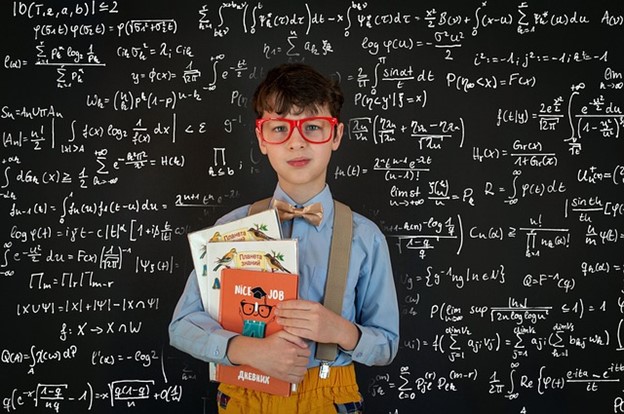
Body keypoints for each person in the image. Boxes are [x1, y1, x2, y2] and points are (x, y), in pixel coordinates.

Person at [169, 63, 399, 413]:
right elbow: (182, 326)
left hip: (328, 395)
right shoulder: (231, 228)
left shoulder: (363, 237)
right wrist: (245, 350)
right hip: (246, 393)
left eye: (312, 127)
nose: (296, 142)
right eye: (280, 128)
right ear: (262, 139)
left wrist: (340, 331)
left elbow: (386, 344)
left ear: (335, 136)